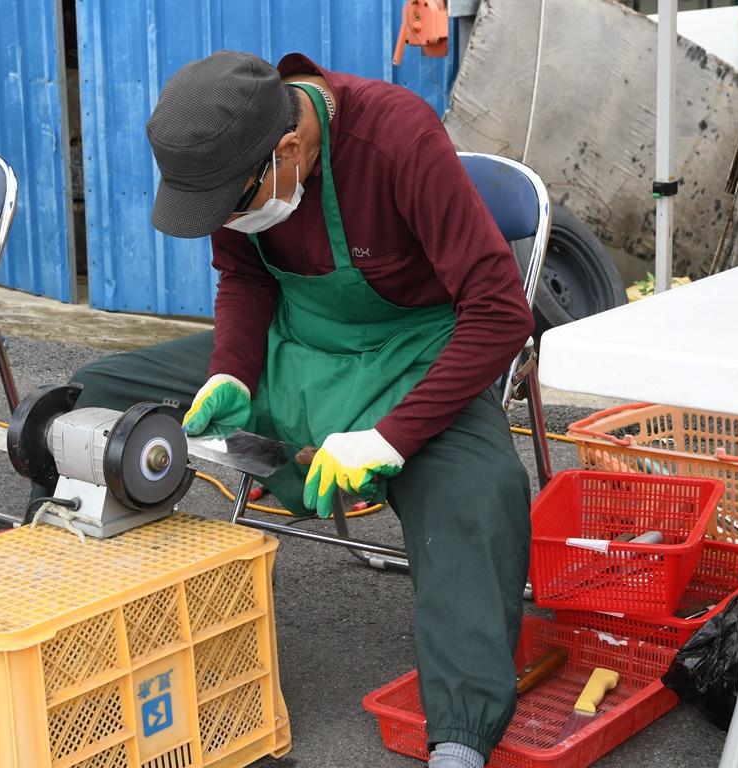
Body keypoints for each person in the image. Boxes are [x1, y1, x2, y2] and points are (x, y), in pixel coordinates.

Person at [61, 51, 534, 767]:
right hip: (293, 348)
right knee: (94, 396)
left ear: (288, 150)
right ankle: (90, 644)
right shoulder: (239, 162)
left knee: (481, 493)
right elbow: (243, 276)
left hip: (413, 356)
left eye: (233, 205)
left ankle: (460, 740)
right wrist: (232, 374)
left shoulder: (396, 138)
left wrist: (391, 439)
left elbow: (501, 315)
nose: (228, 219)